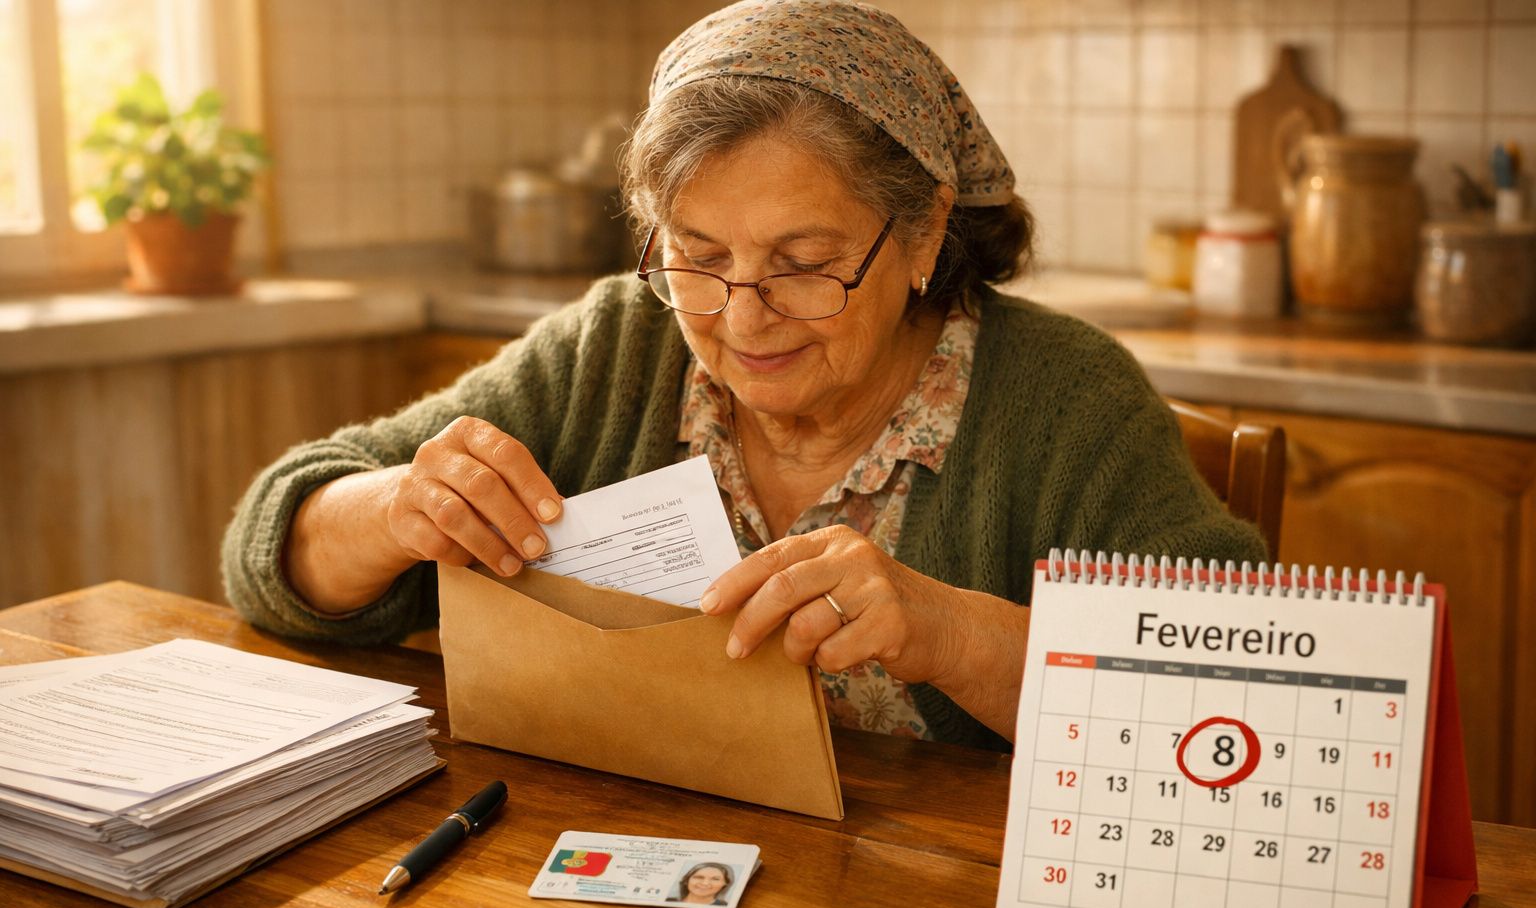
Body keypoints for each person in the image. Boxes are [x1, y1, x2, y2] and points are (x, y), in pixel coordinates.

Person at [222, 0, 1265, 751]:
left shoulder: (1065, 400)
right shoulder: (617, 346)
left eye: (805, 265)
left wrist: (948, 631)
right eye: (699, 257)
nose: (741, 316)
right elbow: (268, 554)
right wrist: (398, 507)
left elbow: (1256, 700)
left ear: (922, 234)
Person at [666, 862, 735, 906]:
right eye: (699, 877)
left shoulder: (725, 907)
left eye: (715, 879)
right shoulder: (668, 901)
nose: (705, 883)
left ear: (725, 884)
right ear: (686, 880)